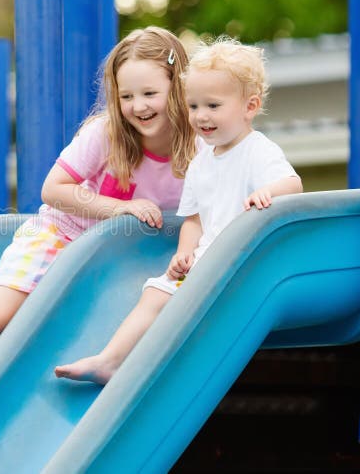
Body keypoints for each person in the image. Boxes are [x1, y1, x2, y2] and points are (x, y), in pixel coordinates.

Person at [0, 26, 198, 459]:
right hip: (60, 233)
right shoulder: (107, 133)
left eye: (150, 93)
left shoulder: (199, 146)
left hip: (120, 262)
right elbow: (53, 189)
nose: (138, 107)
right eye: (127, 96)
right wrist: (118, 207)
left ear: (177, 85)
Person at [54, 37, 303, 385]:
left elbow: (292, 184)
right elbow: (194, 218)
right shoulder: (201, 161)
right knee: (157, 290)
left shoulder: (257, 151)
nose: (201, 116)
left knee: (186, 310)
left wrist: (267, 192)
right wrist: (185, 253)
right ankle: (110, 361)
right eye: (194, 106)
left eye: (213, 106)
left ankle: (164, 372)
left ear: (250, 106)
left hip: (242, 262)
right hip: (206, 262)